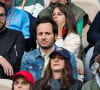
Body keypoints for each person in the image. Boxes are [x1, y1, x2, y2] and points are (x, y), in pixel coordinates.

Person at [20, 17, 78, 81]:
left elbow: (74, 85)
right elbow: (23, 84)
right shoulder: (27, 57)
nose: (43, 37)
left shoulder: (68, 56)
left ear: (55, 36)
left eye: (47, 33)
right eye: (40, 34)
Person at [52, 3, 84, 80]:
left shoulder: (74, 37)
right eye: (53, 14)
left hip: (68, 73)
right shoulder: (47, 34)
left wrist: (59, 33)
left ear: (67, 18)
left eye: (59, 14)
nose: (55, 16)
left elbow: (63, 55)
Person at [0, 1, 25, 79]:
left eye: (1, 15)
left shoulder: (17, 35)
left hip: (6, 81)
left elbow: (14, 63)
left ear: (6, 16)